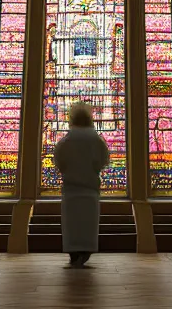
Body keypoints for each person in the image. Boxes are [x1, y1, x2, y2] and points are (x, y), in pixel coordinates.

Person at [53, 102, 110, 268]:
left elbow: (59, 160)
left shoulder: (67, 140)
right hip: (89, 189)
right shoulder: (96, 139)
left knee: (72, 225)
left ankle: (74, 253)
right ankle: (84, 252)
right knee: (87, 225)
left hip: (71, 190)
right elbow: (103, 160)